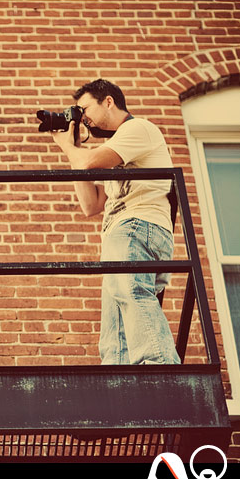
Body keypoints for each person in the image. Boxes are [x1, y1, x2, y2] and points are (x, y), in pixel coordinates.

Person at [51, 79, 180, 365]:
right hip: (121, 233)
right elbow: (91, 204)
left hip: (138, 225)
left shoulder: (137, 128)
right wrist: (74, 149)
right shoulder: (115, 147)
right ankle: (118, 376)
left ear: (108, 101)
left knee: (131, 292)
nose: (83, 118)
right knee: (115, 323)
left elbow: (87, 162)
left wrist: (69, 148)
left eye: (85, 109)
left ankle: (159, 365)